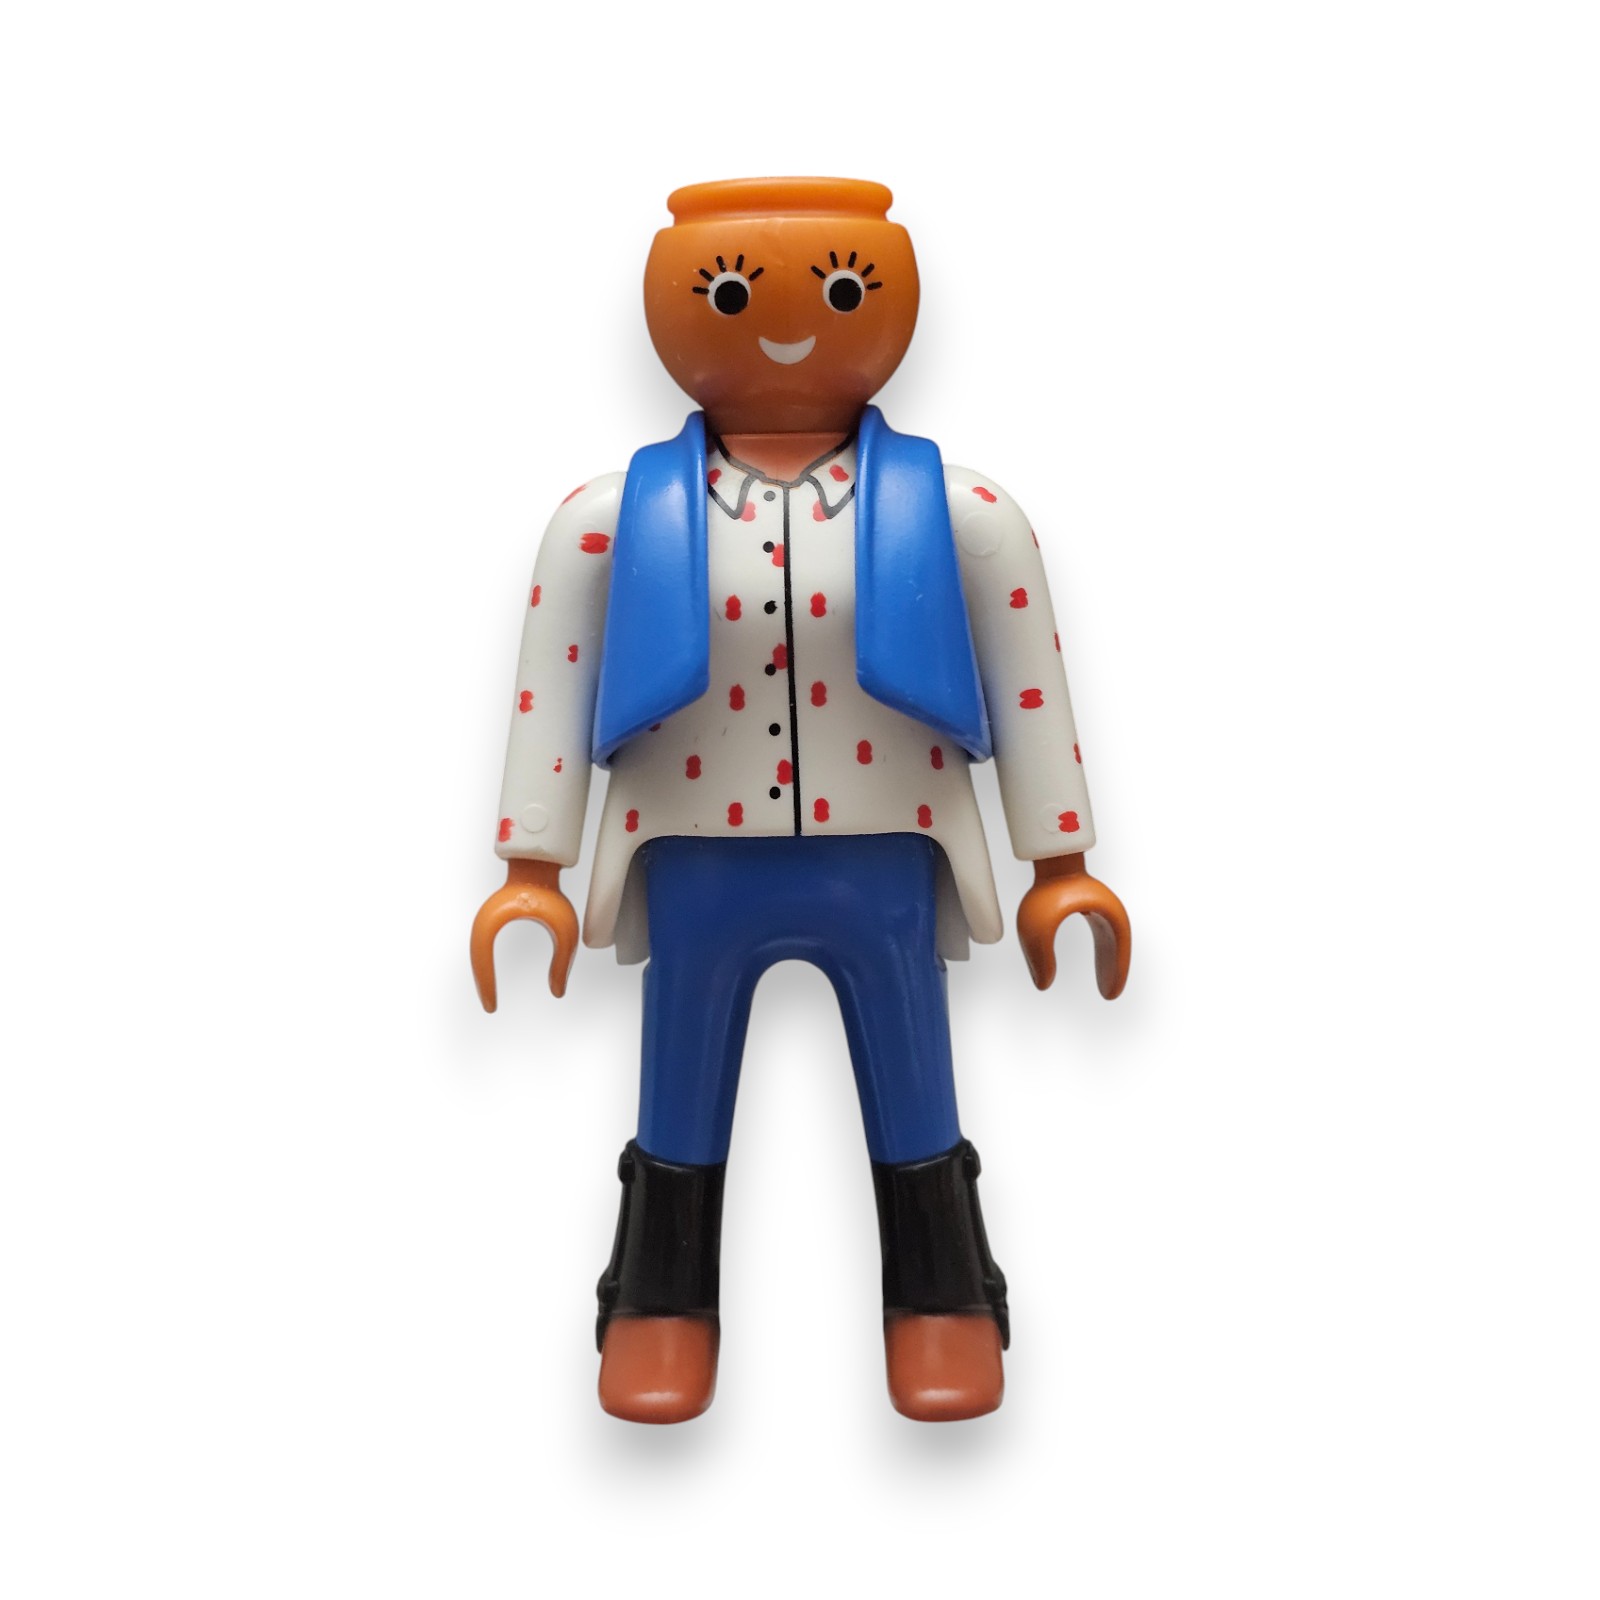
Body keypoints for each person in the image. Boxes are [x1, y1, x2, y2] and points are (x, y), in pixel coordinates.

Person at [470, 177, 1130, 1424]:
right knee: (678, 1080)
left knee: (914, 1076)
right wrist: (531, 868)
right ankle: (657, 1305)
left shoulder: (963, 514)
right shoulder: (609, 520)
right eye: (729, 292)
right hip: (693, 849)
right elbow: (552, 676)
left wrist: (1061, 863)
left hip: (887, 852)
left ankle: (944, 1300)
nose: (785, 321)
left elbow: (1028, 678)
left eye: (837, 288)